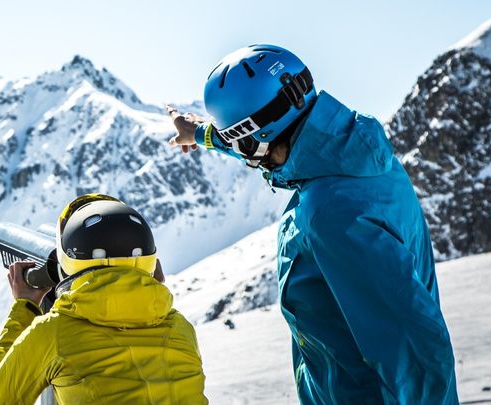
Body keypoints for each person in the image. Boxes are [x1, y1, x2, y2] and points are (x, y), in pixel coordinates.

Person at [167, 44, 457, 404]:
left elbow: (418, 355)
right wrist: (199, 134)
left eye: (240, 145)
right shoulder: (353, 157)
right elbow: (263, 132)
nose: (245, 158)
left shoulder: (333, 214)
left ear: (256, 138)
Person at [0, 194, 207, 405]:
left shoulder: (55, 333)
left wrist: (24, 307)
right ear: (152, 263)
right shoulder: (180, 329)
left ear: (70, 263)